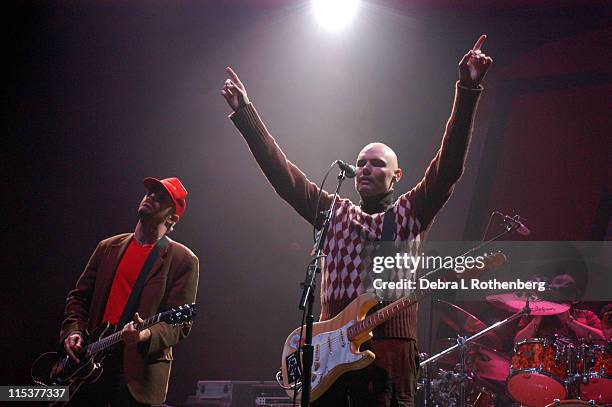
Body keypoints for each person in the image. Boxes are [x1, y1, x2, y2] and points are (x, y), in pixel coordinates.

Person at [221, 36, 492, 406]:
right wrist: (246, 115)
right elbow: (283, 176)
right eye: (361, 162)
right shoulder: (335, 212)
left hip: (389, 353)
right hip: (328, 355)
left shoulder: (411, 211)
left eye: (377, 163)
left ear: (397, 176)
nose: (365, 168)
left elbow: (449, 167)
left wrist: (469, 88)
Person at [59, 177, 199, 406]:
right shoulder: (107, 247)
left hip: (135, 374)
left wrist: (144, 335)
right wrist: (73, 331)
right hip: (89, 360)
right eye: (151, 193)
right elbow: (78, 298)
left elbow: (180, 324)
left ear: (172, 218)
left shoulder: (183, 260)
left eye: (162, 198)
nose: (151, 197)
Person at [514, 273, 605, 344]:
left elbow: (602, 340)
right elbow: (518, 342)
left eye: (565, 292)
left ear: (575, 298)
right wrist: (537, 318)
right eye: (556, 292)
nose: (560, 297)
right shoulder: (534, 313)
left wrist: (570, 321)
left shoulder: (587, 315)